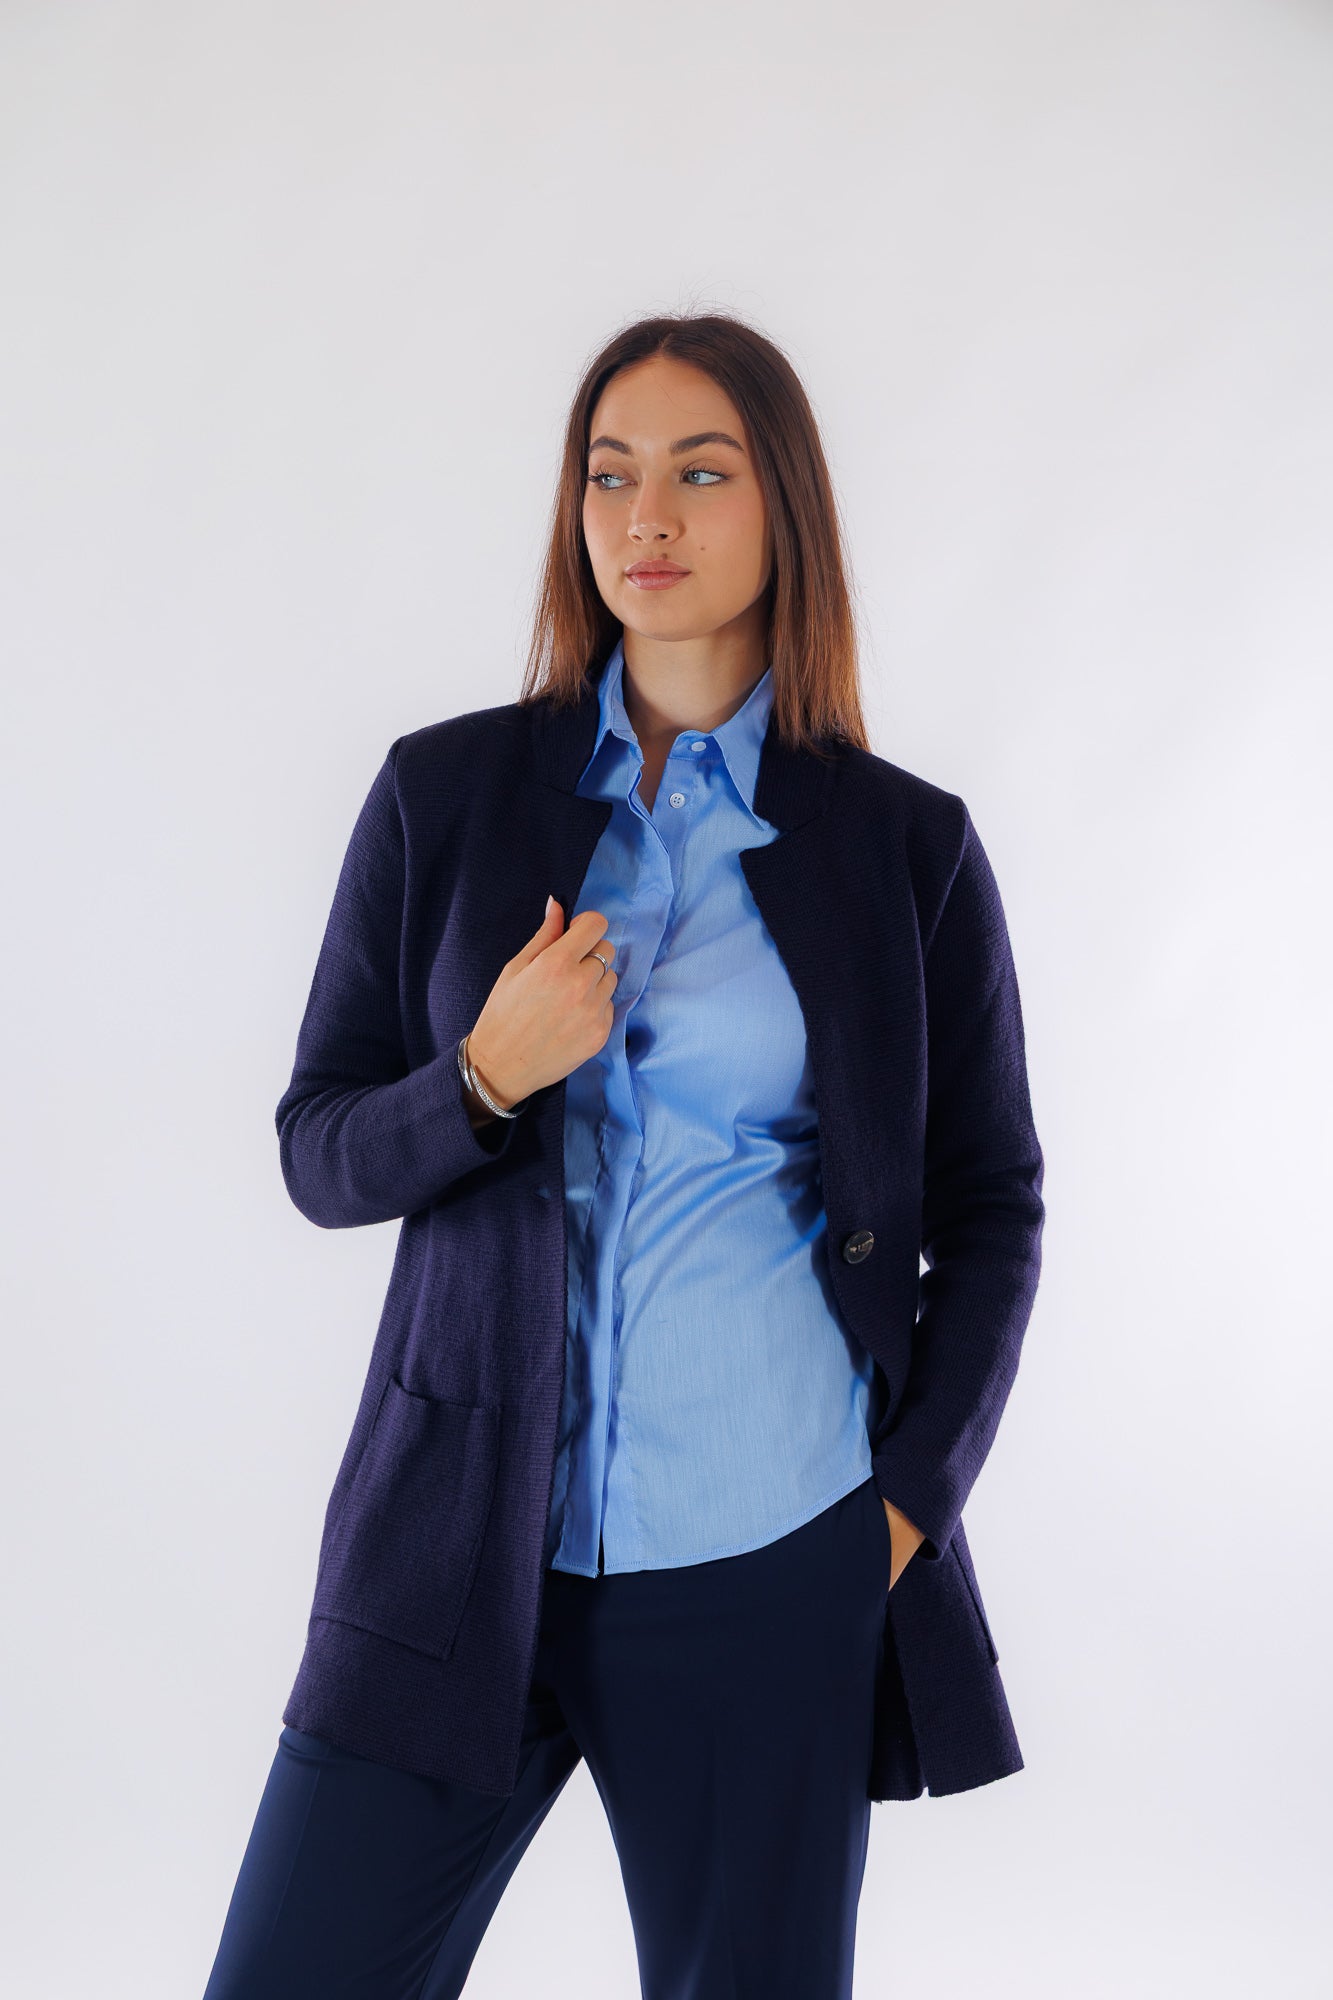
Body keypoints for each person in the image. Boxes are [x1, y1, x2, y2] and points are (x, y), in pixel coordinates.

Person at [202, 312, 1045, 2000]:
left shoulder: (903, 847)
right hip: (450, 1539)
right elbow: (318, 1152)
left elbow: (990, 1209)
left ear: (782, 507)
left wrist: (902, 1509)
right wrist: (482, 1078)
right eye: (609, 475)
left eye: (700, 474)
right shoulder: (442, 797)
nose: (644, 517)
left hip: (771, 1550)